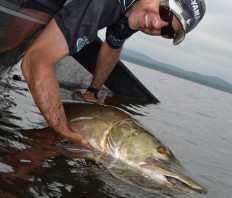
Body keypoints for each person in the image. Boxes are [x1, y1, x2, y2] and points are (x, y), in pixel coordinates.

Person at [16, 0, 206, 146]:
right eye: (165, 11)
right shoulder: (106, 4)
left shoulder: (137, 9)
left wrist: (93, 91)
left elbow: (115, 43)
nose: (157, 24)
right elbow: (36, 61)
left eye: (167, 31)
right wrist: (65, 133)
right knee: (11, 38)